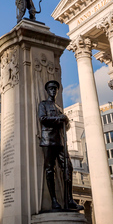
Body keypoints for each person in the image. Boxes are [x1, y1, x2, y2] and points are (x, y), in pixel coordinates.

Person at [38, 80, 82, 211]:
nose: (53, 91)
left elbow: (66, 127)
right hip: (48, 140)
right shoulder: (43, 104)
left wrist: (66, 121)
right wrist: (59, 119)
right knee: (49, 169)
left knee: (68, 168)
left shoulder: (58, 108)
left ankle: (69, 200)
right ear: (47, 91)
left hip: (60, 141)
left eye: (55, 89)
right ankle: (54, 201)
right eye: (51, 89)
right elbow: (42, 119)